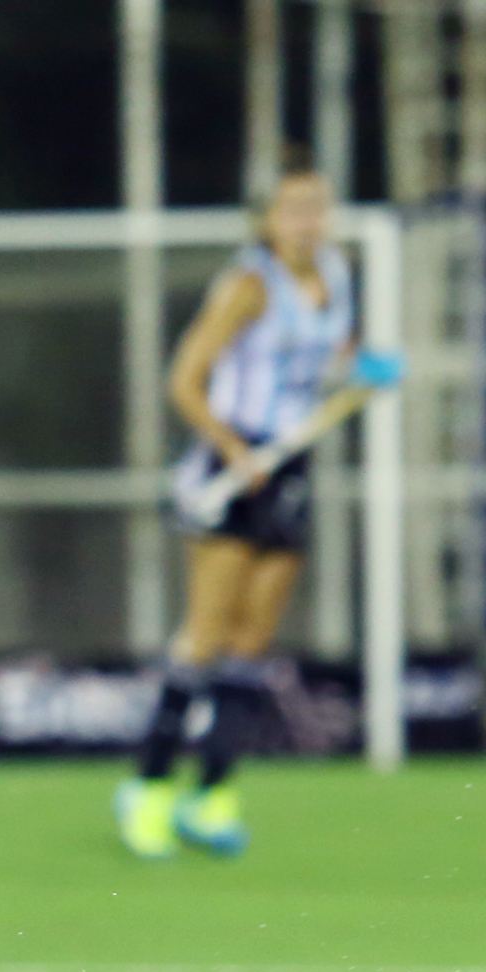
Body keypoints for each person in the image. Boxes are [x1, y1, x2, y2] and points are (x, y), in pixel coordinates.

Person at [116, 156, 354, 859]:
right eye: (294, 209)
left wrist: (359, 369)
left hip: (290, 467)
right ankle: (149, 787)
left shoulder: (338, 276)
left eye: (317, 207)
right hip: (231, 464)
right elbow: (185, 380)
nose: (308, 222)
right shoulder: (250, 285)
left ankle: (212, 793)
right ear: (267, 219)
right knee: (207, 632)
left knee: (253, 642)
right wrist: (234, 448)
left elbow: (327, 361)